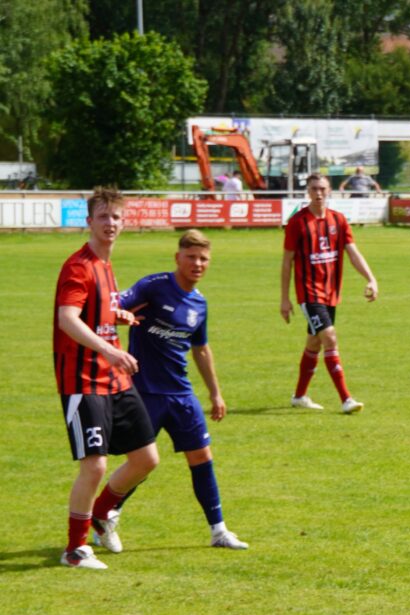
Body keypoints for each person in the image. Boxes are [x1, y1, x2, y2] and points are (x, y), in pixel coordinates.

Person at [115, 230, 248, 551]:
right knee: (140, 463)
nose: (197, 264)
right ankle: (106, 516)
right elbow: (114, 308)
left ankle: (219, 531)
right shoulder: (154, 286)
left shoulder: (199, 304)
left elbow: (201, 349)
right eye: (191, 257)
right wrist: (119, 318)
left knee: (202, 456)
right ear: (178, 258)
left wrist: (215, 393)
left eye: (203, 259)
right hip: (146, 392)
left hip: (182, 394)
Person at [53, 186, 159, 569]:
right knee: (94, 464)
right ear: (89, 222)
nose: (110, 223)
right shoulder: (79, 265)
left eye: (116, 217)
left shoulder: (106, 266)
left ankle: (101, 514)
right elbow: (68, 318)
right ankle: (75, 549)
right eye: (103, 217)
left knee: (146, 458)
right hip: (83, 379)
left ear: (124, 222)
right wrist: (111, 350)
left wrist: (119, 318)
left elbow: (95, 311)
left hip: (113, 379)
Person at [280, 173, 379, 414]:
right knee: (330, 338)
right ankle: (346, 399)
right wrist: (285, 298)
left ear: (330, 190)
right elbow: (287, 262)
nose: (318, 193)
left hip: (331, 294)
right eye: (314, 189)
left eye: (323, 189)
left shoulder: (339, 220)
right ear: (308, 192)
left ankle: (300, 396)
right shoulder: (298, 223)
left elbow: (352, 253)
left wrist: (371, 278)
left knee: (314, 342)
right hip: (309, 294)